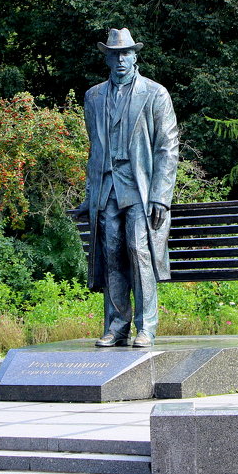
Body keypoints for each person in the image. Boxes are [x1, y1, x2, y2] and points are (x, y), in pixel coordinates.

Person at [75, 28, 179, 348]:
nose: (120, 59)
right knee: (111, 255)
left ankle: (146, 326)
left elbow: (167, 147)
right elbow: (95, 148)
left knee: (138, 250)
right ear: (106, 57)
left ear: (135, 56)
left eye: (126, 53)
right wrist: (90, 194)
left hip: (140, 187)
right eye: (114, 54)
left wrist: (161, 196)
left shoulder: (154, 93)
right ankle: (117, 326)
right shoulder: (93, 97)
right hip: (107, 186)